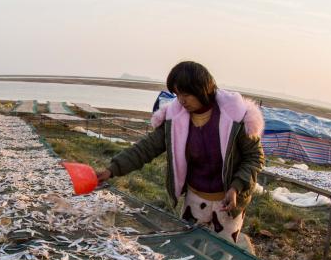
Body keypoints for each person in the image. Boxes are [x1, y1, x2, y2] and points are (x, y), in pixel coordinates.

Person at [95, 61, 265, 243]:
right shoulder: (174, 119)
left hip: (228, 203)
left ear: (202, 89)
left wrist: (236, 187)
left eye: (186, 94)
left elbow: (255, 157)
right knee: (190, 254)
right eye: (177, 94)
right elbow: (145, 148)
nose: (181, 100)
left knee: (220, 257)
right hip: (194, 201)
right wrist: (111, 170)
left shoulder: (236, 118)